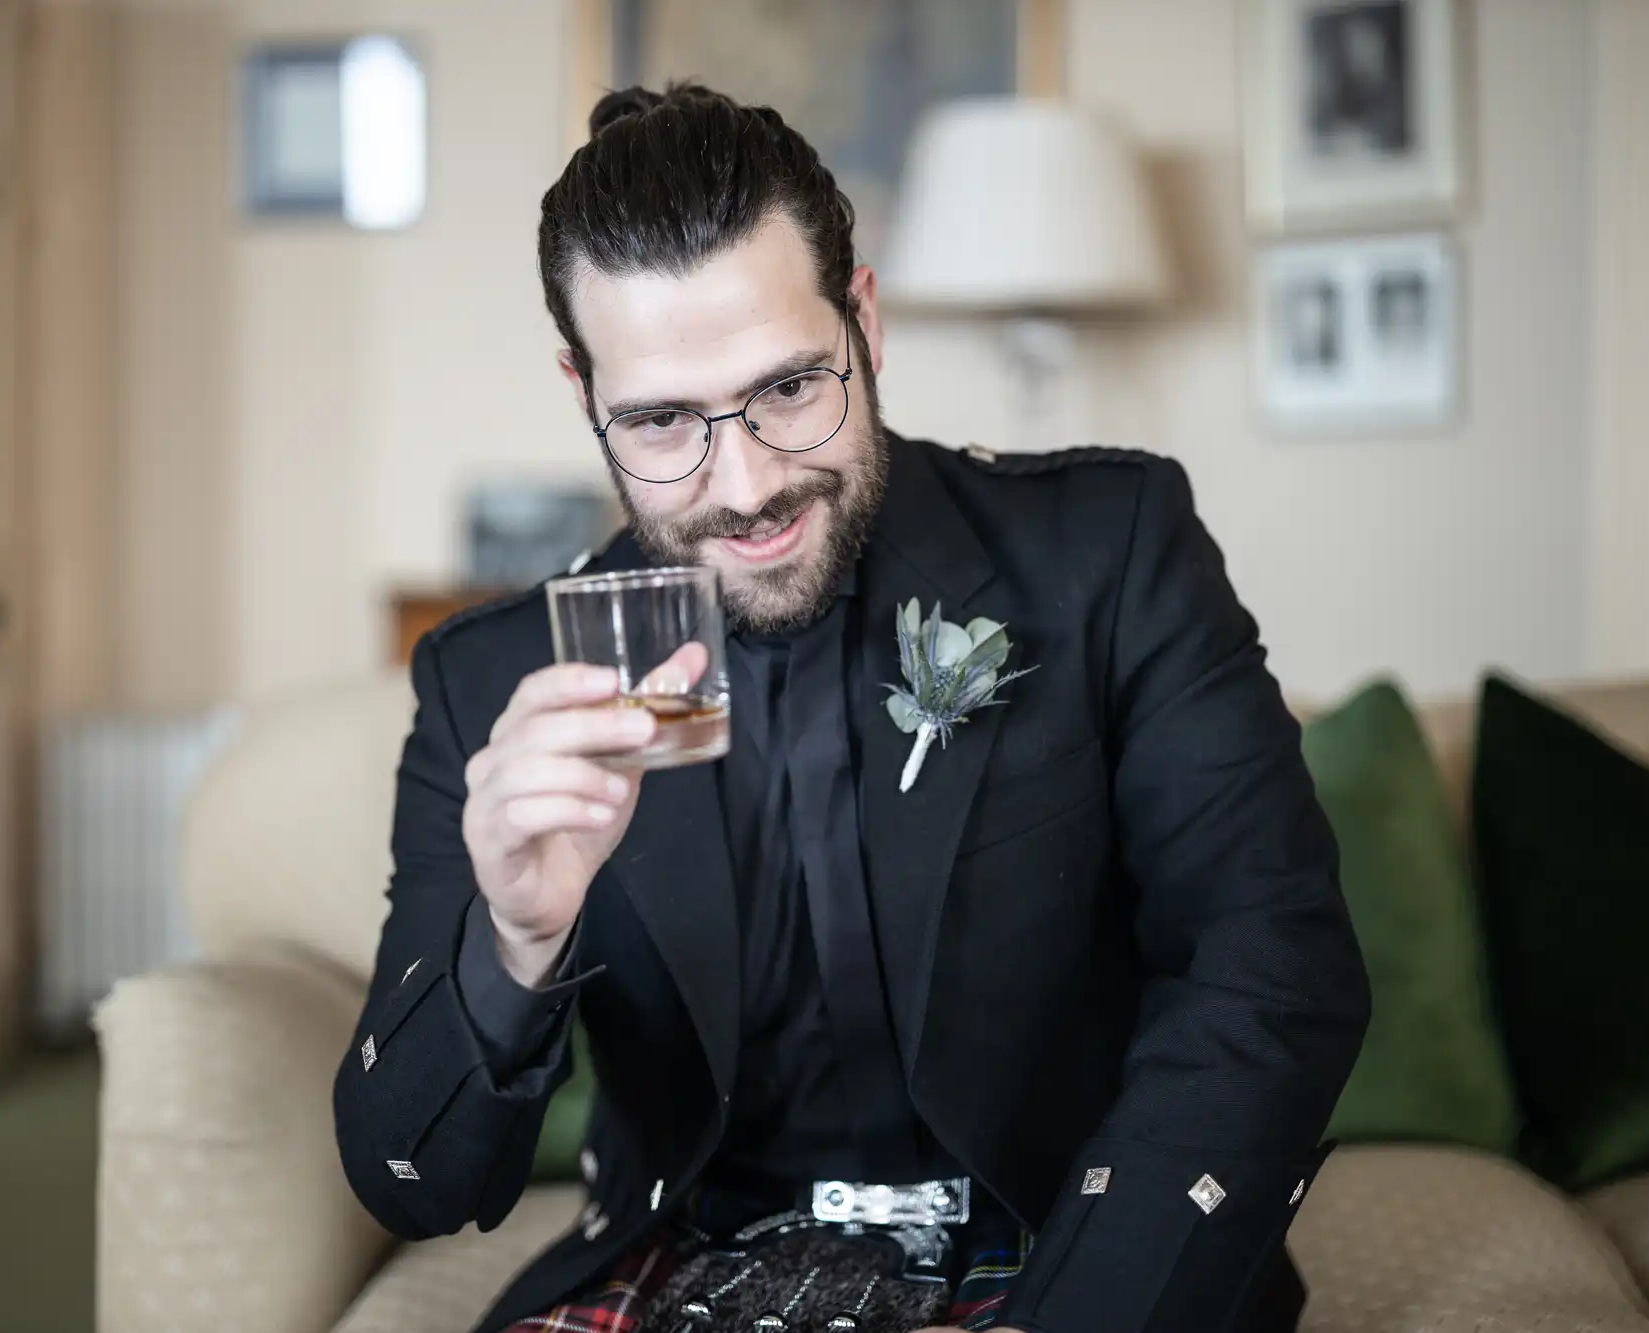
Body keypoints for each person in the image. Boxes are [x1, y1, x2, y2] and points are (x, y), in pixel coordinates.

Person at [334, 83, 1371, 1333]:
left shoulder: (1109, 549)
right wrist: (511, 945)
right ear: (583, 395)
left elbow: (1268, 968)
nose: (747, 484)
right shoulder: (490, 681)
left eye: (785, 388)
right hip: (689, 1262)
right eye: (660, 420)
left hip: (1069, 1244)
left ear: (862, 321)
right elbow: (413, 1176)